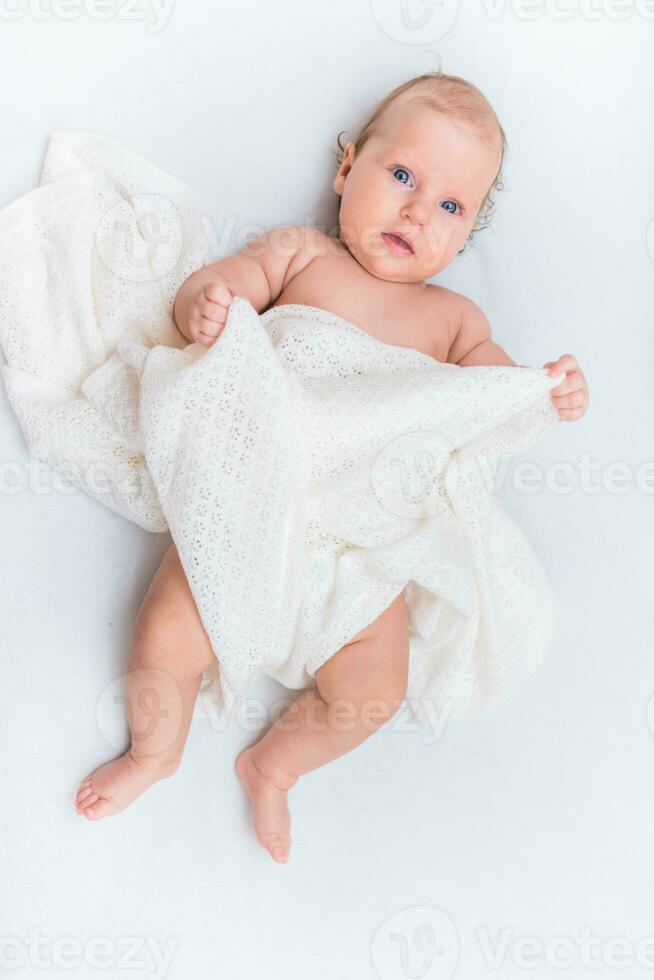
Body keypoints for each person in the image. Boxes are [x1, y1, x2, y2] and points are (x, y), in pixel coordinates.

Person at [75, 70, 589, 863]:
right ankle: (154, 751)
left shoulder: (456, 321)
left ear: (465, 234)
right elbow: (217, 292)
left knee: (373, 692)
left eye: (451, 206)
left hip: (364, 543)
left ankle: (274, 766)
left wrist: (544, 391)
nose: (419, 211)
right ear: (347, 169)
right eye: (403, 176)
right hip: (255, 500)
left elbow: (497, 393)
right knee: (167, 636)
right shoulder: (302, 255)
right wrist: (206, 304)